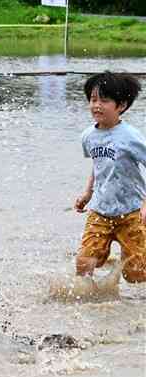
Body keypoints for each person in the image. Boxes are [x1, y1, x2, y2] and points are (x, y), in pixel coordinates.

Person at [73, 71, 146, 283]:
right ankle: (90, 302)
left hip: (131, 213)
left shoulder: (130, 137)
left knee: (136, 274)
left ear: (121, 105)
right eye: (93, 99)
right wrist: (88, 193)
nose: (97, 105)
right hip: (100, 211)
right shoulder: (88, 136)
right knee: (84, 263)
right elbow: (98, 166)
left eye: (104, 100)